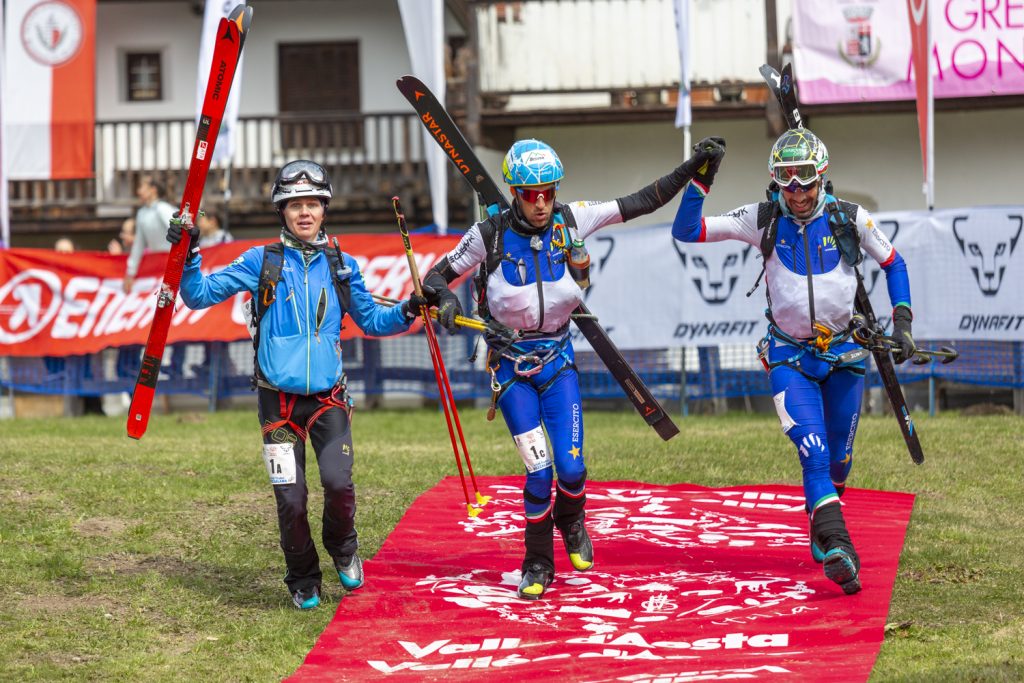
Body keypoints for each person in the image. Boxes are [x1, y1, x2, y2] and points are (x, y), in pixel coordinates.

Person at [421, 139, 705, 600]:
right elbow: (435, 277)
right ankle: (536, 562)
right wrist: (447, 299)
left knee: (571, 469)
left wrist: (691, 167)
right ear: (514, 191)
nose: (541, 203)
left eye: (548, 192)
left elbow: (641, 201)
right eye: (531, 194)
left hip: (558, 364)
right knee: (539, 471)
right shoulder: (487, 235)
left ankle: (571, 519)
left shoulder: (572, 219)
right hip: (512, 370)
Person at [168, 159, 427, 610]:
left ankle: (344, 548)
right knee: (291, 499)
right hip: (278, 403)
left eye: (312, 204)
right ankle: (303, 575)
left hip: (328, 399)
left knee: (338, 483)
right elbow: (198, 295)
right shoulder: (261, 261)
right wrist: (187, 253)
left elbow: (371, 319)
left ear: (324, 209)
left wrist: (408, 310)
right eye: (294, 205)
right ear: (281, 211)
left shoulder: (341, 264)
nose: (304, 213)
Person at [671, 129, 916, 595]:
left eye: (805, 182)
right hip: (789, 357)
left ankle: (822, 519)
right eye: (787, 183)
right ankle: (840, 544)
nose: (797, 194)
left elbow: (894, 263)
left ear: (821, 177)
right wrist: (701, 179)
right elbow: (687, 230)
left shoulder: (849, 217)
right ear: (776, 183)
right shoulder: (761, 218)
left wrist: (901, 320)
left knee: (840, 462)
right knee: (815, 452)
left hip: (844, 355)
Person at [123, 175, 176, 294]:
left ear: (153, 189)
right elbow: (138, 245)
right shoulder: (142, 213)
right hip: (156, 265)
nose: (139, 191)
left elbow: (181, 233)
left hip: (172, 263)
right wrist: (130, 273)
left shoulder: (163, 209)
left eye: (142, 187)